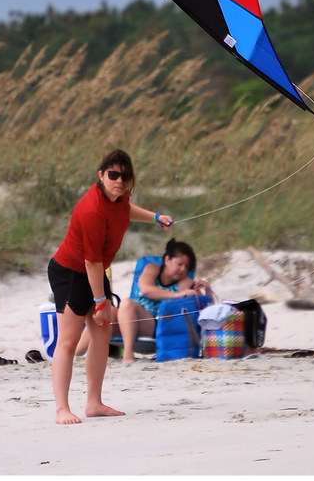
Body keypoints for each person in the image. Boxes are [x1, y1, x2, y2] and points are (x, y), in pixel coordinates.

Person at [48, 148, 173, 424]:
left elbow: (126, 211)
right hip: (70, 272)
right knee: (68, 341)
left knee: (102, 335)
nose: (119, 181)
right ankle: (61, 409)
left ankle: (94, 403)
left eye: (125, 177)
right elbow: (91, 262)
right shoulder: (92, 209)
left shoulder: (120, 198)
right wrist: (102, 303)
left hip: (92, 271)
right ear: (101, 175)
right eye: (113, 175)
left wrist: (155, 217)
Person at [113, 238, 213, 362]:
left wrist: (207, 291)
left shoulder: (185, 281)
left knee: (127, 303)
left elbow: (200, 304)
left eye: (186, 266)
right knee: (108, 311)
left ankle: (128, 355)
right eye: (180, 264)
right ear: (167, 260)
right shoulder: (152, 269)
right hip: (130, 319)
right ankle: (80, 353)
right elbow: (146, 290)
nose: (183, 269)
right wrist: (176, 295)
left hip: (156, 324)